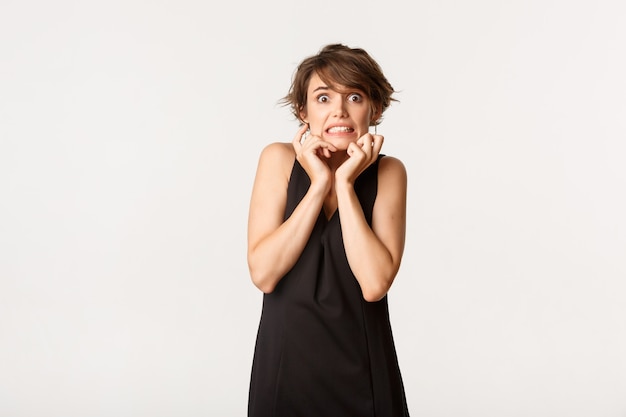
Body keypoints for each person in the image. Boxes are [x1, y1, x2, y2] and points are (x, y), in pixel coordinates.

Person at [247, 43, 409, 416]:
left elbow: (374, 284)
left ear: (375, 109)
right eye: (323, 98)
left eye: (354, 96)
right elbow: (264, 274)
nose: (339, 110)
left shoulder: (389, 173)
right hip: (285, 367)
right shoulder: (278, 159)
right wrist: (318, 184)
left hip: (364, 370)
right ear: (303, 111)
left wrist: (346, 186)